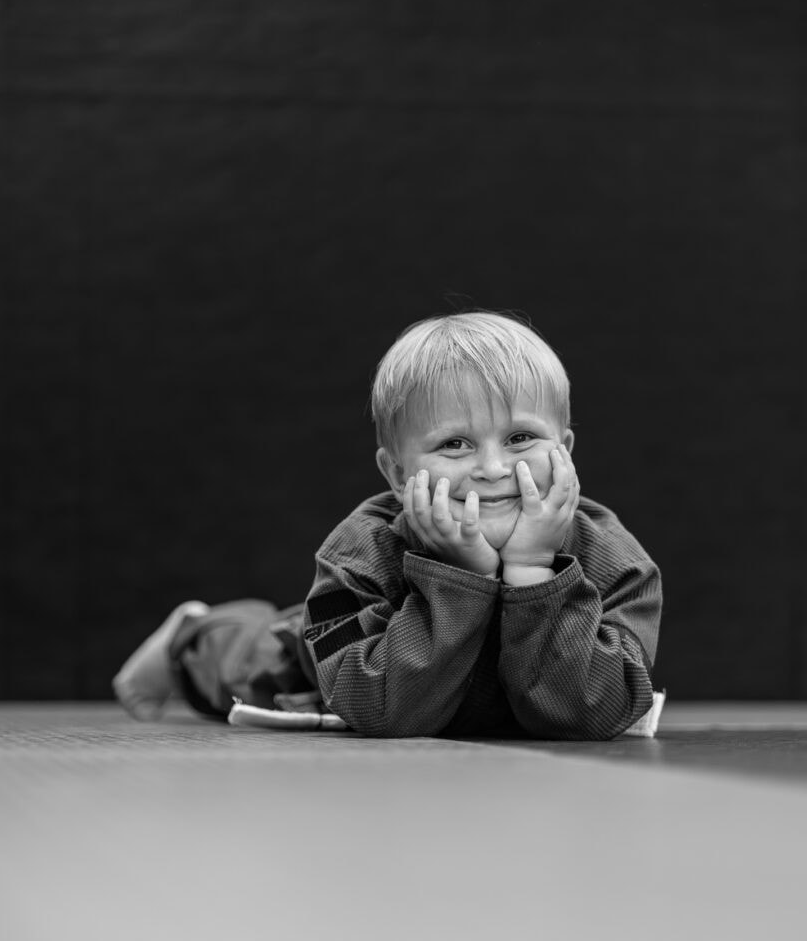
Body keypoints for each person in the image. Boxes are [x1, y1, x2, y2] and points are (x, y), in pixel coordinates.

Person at [113, 311, 663, 740]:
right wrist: (458, 577)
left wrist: (533, 573)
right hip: (315, 664)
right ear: (398, 475)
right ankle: (191, 635)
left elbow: (594, 714)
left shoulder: (619, 562)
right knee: (250, 658)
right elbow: (381, 711)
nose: (493, 469)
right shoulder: (360, 551)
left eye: (521, 438)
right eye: (455, 443)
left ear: (564, 450)